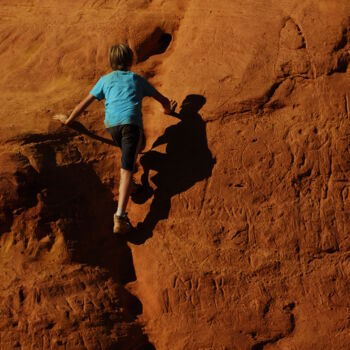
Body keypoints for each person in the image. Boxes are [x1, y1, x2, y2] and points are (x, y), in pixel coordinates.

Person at [54, 43, 176, 234]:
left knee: (135, 151)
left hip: (112, 127)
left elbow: (84, 103)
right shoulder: (137, 79)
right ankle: (120, 216)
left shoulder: (104, 80)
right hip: (131, 127)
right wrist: (168, 110)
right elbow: (163, 100)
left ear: (111, 62)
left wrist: (68, 120)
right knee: (126, 169)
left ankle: (132, 186)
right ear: (130, 60)